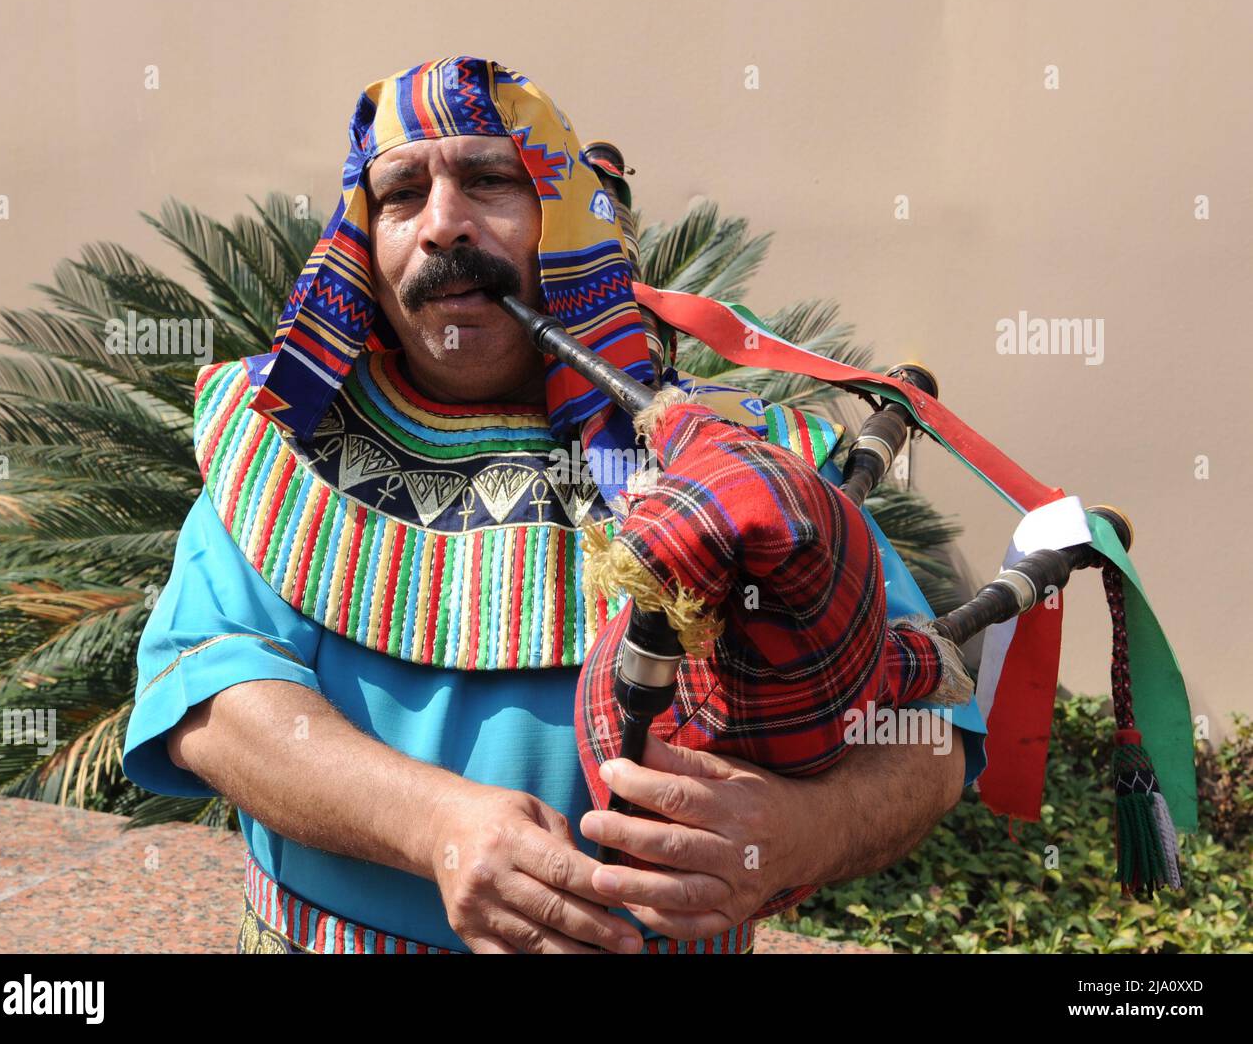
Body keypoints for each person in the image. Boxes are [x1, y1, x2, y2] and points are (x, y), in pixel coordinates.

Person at [122, 56, 986, 955]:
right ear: (364, 246)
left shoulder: (742, 463)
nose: (443, 226)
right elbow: (210, 699)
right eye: (403, 194)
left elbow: (927, 733)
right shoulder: (277, 439)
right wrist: (434, 826)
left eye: (492, 180)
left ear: (567, 219)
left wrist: (796, 831)